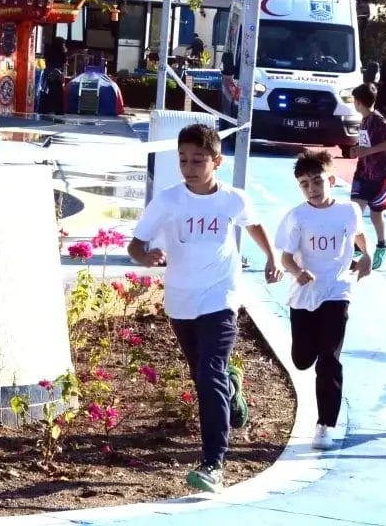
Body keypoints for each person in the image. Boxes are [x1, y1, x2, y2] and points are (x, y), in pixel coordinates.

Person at [127, 123, 282, 493]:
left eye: (198, 160)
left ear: (217, 161)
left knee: (208, 371)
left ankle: (214, 462)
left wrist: (272, 257)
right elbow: (136, 244)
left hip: (221, 296)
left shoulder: (232, 199)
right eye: (183, 159)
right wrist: (145, 257)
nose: (189, 167)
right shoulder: (167, 201)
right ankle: (232, 386)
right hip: (181, 300)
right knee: (205, 375)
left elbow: (254, 224)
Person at [276, 150, 372, 450]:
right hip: (304, 295)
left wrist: (366, 255)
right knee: (303, 359)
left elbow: (358, 235)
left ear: (331, 180)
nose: (312, 188)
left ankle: (325, 425)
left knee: (329, 358)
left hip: (337, 291)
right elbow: (286, 257)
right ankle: (308, 349)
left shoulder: (348, 211)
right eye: (304, 184)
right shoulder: (297, 216)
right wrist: (298, 272)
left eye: (317, 181)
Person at [350, 83, 386, 270]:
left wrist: (369, 151)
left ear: (358, 102)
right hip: (363, 171)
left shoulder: (378, 119)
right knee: (354, 210)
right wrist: (357, 150)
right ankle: (357, 245)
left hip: (381, 173)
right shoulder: (364, 120)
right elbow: (367, 143)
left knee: (376, 214)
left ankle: (381, 244)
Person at [42, 37, 67, 114]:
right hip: (57, 73)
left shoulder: (49, 50)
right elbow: (63, 61)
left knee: (50, 90)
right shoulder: (61, 52)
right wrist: (65, 52)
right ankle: (58, 110)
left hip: (49, 72)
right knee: (58, 92)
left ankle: (46, 109)